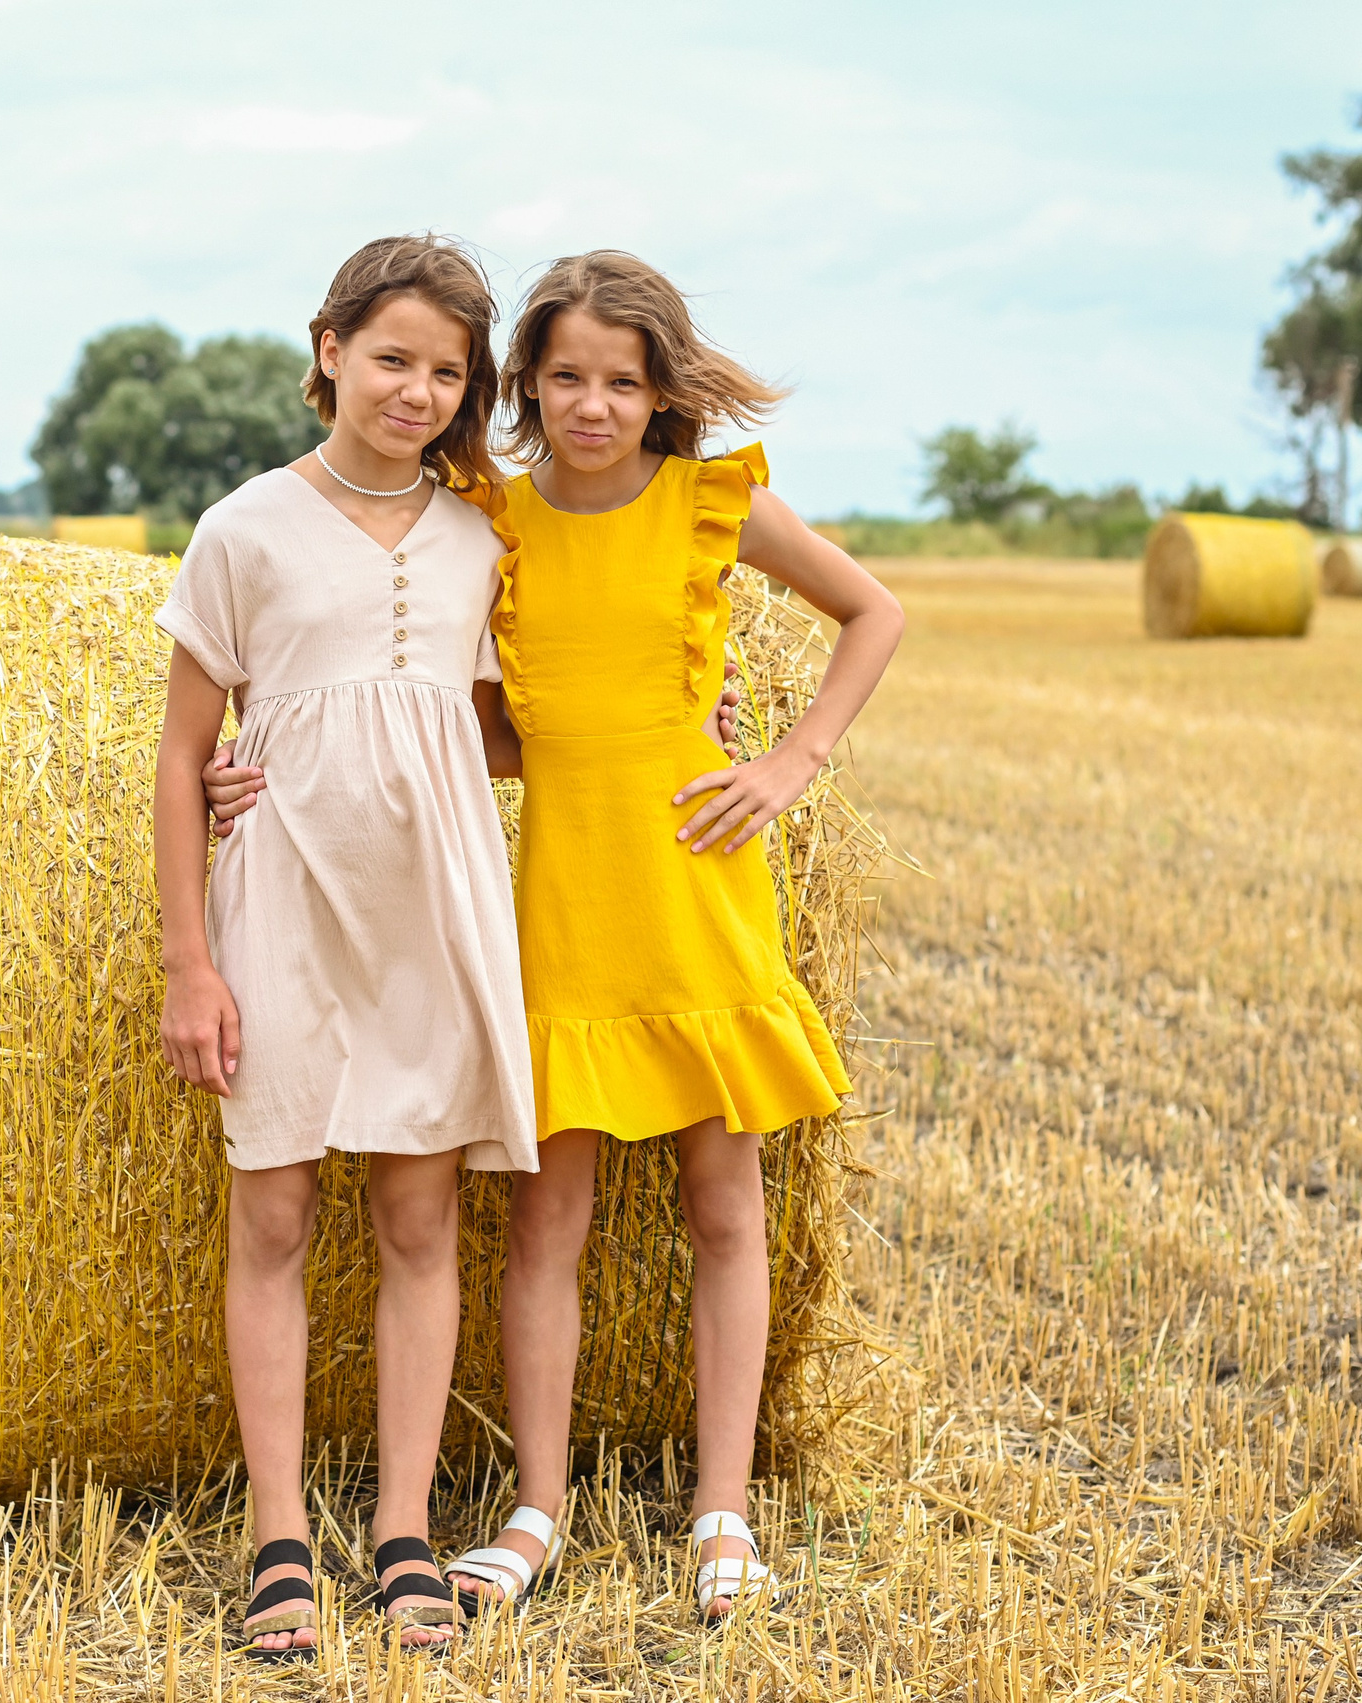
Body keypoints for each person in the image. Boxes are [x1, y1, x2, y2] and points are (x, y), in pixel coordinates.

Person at [210, 249, 905, 1626]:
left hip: (693, 886)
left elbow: (874, 612)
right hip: (557, 901)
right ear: (525, 385)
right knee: (547, 1217)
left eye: (624, 383)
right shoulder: (496, 523)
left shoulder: (712, 503)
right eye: (569, 378)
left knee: (725, 1203)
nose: (595, 406)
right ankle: (537, 1508)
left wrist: (789, 762)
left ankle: (723, 1509)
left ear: (662, 393)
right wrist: (260, 763)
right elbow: (450, 711)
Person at [151, 234, 530, 1657]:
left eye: (447, 372)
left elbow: (491, 731)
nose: (415, 390)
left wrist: (691, 720)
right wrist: (189, 964)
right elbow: (182, 756)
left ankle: (405, 1532)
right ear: (329, 352)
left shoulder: (483, 539)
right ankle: (278, 1538)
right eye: (391, 358)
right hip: (284, 904)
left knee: (420, 1223)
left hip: (431, 912)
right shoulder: (243, 528)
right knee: (274, 1217)